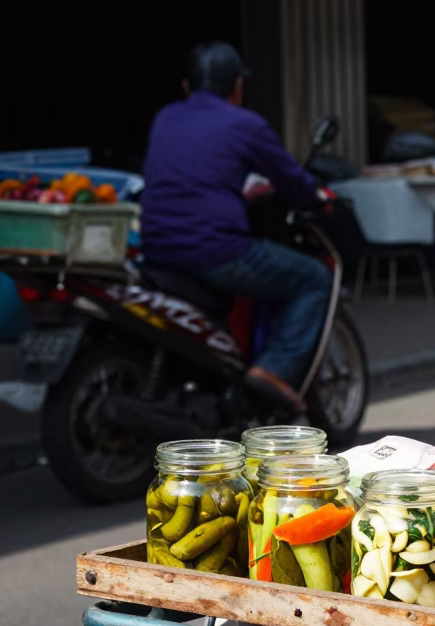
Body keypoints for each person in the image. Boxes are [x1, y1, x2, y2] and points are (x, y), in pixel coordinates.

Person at [141, 41, 329, 411]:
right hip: (216, 251)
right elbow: (290, 179)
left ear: (186, 86)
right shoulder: (246, 124)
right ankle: (274, 369)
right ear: (238, 88)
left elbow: (190, 180)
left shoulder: (166, 117)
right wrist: (316, 200)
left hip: (155, 249)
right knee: (314, 278)